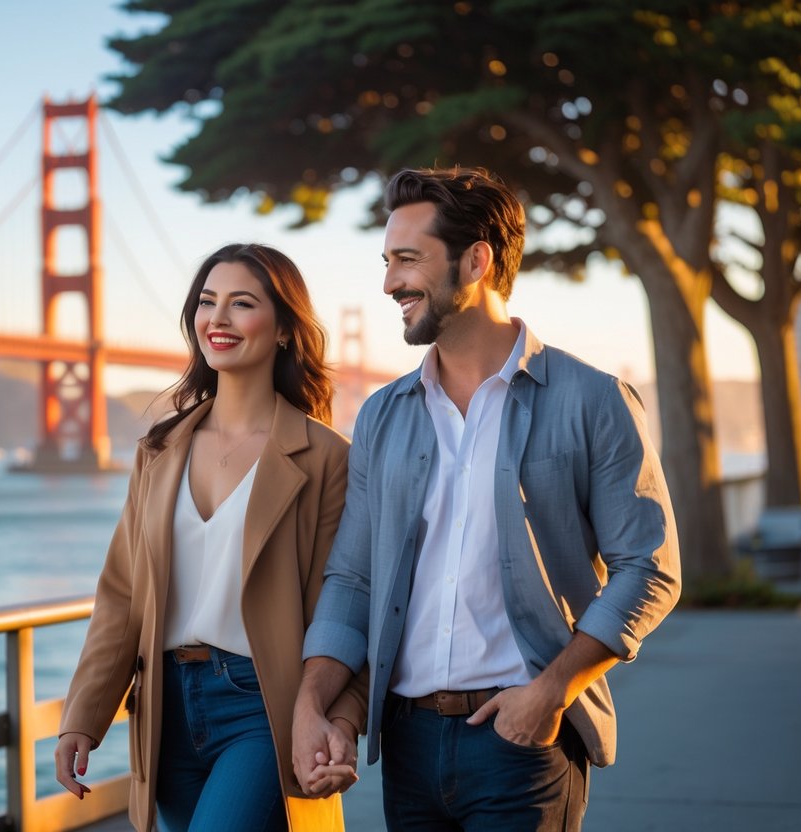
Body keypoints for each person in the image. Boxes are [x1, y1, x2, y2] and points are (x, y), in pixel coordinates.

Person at [292, 167, 682, 831]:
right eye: (386, 262)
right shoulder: (383, 415)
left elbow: (649, 568)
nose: (389, 284)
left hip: (522, 743)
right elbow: (352, 578)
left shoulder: (589, 400)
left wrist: (550, 691)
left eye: (407, 261)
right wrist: (312, 704)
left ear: (476, 260)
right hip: (407, 747)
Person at [54, 243, 363, 832]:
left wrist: (337, 717)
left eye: (241, 303)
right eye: (206, 302)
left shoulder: (327, 458)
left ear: (282, 330)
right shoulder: (158, 450)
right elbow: (122, 594)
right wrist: (83, 716)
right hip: (164, 708)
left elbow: (345, 606)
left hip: (263, 706)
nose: (216, 319)